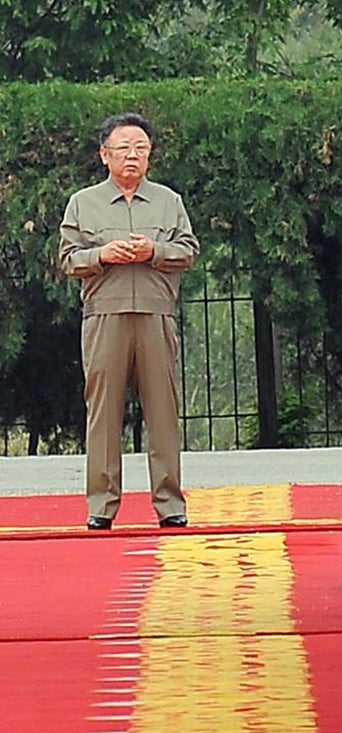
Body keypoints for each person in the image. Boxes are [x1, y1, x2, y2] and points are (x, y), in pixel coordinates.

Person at [59, 112, 199, 531]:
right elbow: (67, 258)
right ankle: (101, 506)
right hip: (105, 315)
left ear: (150, 155)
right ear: (105, 155)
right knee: (103, 412)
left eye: (141, 148)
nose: (133, 156)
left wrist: (154, 250)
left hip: (156, 313)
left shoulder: (167, 201)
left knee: (163, 410)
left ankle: (170, 503)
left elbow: (188, 249)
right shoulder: (83, 203)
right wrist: (102, 255)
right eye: (123, 149)